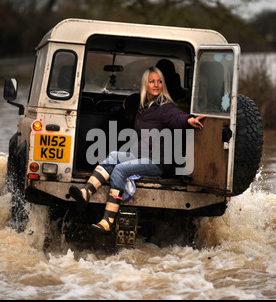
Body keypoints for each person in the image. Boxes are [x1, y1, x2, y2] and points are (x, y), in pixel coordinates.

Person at [69, 67, 205, 234]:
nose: (156, 85)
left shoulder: (165, 106)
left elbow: (176, 117)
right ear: (145, 85)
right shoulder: (144, 107)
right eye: (152, 81)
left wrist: (189, 120)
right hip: (140, 155)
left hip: (156, 162)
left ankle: (107, 221)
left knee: (120, 169)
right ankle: (86, 193)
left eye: (159, 81)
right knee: (113, 157)